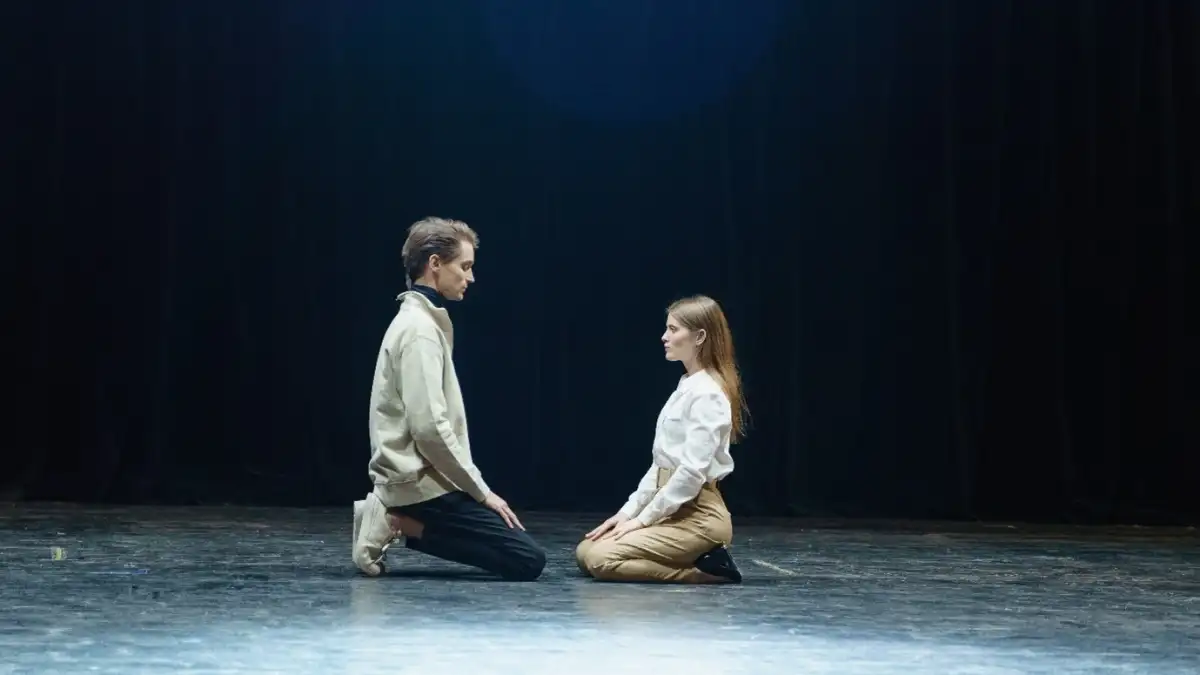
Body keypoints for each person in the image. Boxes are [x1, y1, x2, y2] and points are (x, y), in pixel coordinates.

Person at [351, 216, 546, 581]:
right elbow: (428, 429)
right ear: (435, 263)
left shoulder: (421, 322)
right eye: (465, 266)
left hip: (423, 479)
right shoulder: (419, 330)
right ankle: (396, 520)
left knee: (522, 555)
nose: (470, 277)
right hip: (418, 485)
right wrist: (482, 491)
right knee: (526, 560)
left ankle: (398, 521)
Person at [576, 295, 747, 584]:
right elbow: (660, 468)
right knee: (585, 552)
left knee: (600, 559)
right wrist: (627, 514)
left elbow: (691, 474)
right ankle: (696, 559)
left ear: (699, 337)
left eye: (673, 329)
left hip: (698, 517)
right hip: (672, 505)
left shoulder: (708, 394)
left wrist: (643, 520)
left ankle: (705, 573)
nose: (664, 337)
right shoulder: (687, 385)